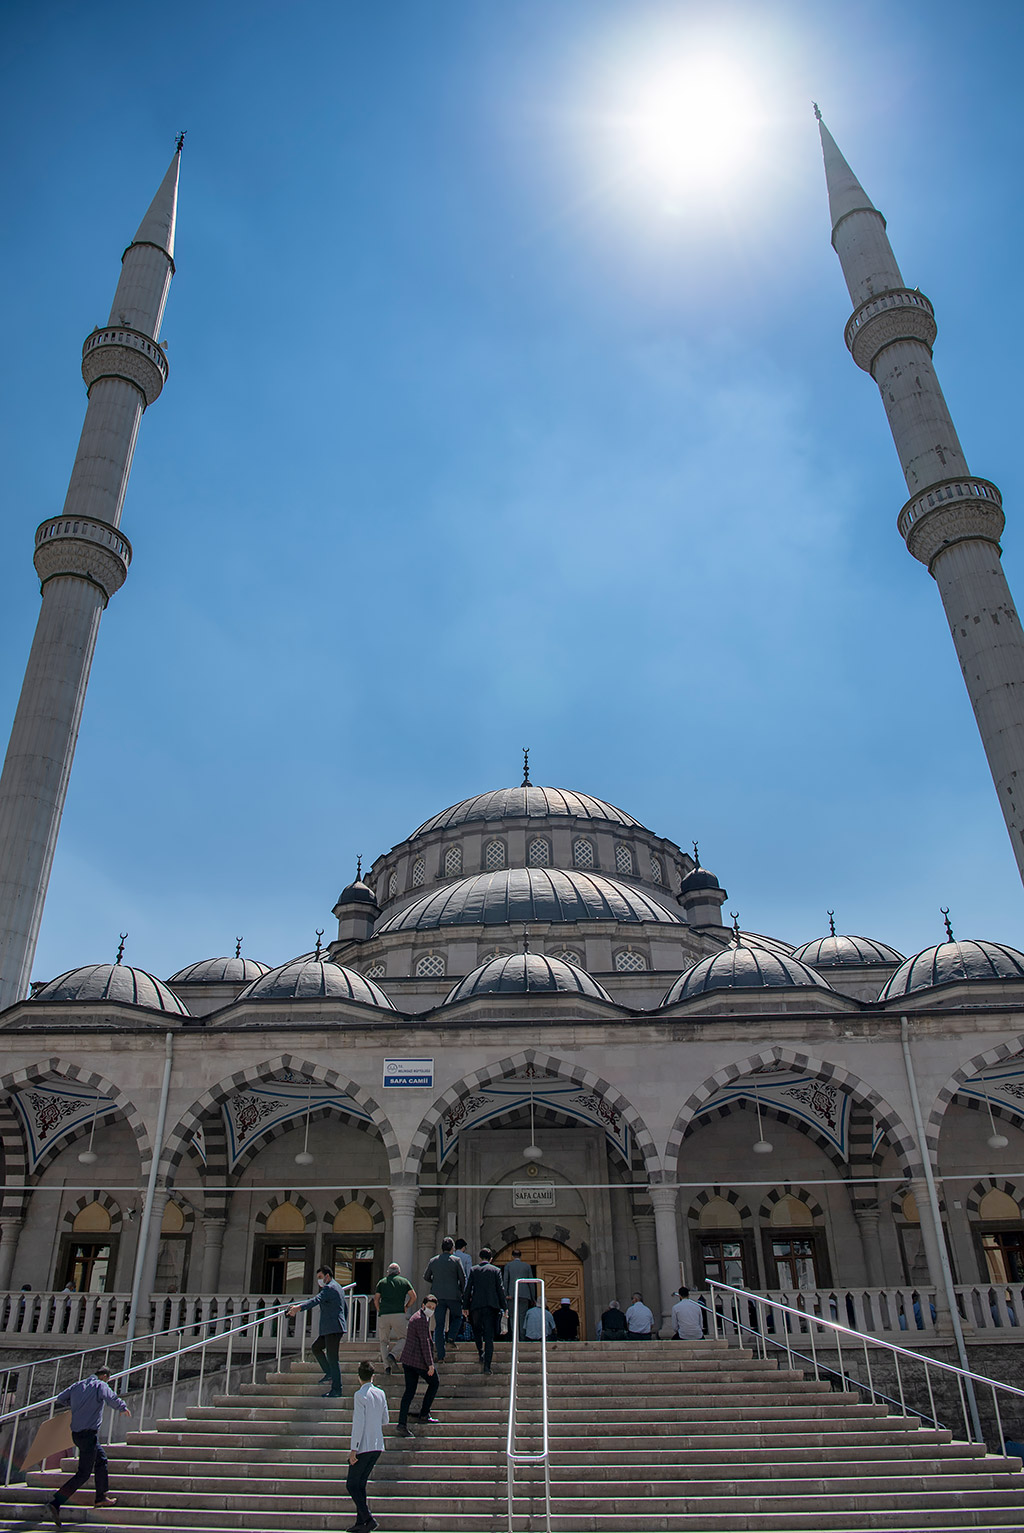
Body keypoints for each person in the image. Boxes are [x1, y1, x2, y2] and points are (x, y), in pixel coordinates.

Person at [46, 1365, 129, 1526]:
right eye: (109, 1379)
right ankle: (57, 1501)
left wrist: (78, 1407)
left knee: (101, 1460)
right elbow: (110, 1397)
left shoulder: (77, 1385)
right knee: (83, 1474)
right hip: (88, 1435)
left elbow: (61, 1398)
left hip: (77, 1435)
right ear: (105, 1376)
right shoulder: (100, 1385)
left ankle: (100, 1497)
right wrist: (122, 1407)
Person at [289, 1266, 347, 1397]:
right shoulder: (338, 1287)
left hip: (333, 1328)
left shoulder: (329, 1288)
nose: (319, 1281)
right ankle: (330, 1373)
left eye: (320, 1277)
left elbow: (316, 1300)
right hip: (332, 1328)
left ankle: (337, 1389)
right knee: (316, 1348)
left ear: (327, 1276)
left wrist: (298, 1308)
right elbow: (345, 1307)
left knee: (333, 1358)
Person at [347, 1358, 388, 1532]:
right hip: (377, 1444)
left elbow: (358, 1423)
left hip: (363, 1445)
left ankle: (368, 1518)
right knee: (360, 1483)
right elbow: (385, 1419)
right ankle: (360, 1522)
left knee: (351, 1484)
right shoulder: (380, 1393)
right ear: (373, 1376)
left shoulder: (359, 1395)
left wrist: (353, 1449)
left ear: (359, 1377)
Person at [395, 1295, 440, 1437]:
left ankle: (402, 1423)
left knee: (409, 1391)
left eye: (433, 1308)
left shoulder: (419, 1317)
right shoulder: (420, 1320)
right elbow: (425, 1343)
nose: (431, 1310)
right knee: (434, 1382)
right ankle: (424, 1413)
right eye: (429, 1307)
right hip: (416, 1360)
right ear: (423, 1305)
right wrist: (430, 1364)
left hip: (409, 1360)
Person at [463, 1247, 507, 1374]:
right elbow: (500, 1290)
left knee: (477, 1331)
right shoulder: (496, 1271)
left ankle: (480, 1351)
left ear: (480, 1257)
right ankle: (487, 1366)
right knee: (489, 1337)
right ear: (491, 1258)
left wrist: (465, 1306)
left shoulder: (474, 1270)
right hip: (491, 1307)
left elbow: (468, 1289)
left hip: (476, 1306)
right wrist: (505, 1307)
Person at [422, 1236, 465, 1362]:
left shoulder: (433, 1261)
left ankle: (440, 1356)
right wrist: (461, 1291)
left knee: (439, 1325)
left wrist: (435, 1282)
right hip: (453, 1296)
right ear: (452, 1248)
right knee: (458, 1317)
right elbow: (463, 1278)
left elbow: (426, 1276)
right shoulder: (456, 1260)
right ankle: (451, 1337)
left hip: (437, 1297)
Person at [374, 1261, 416, 1372]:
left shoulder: (382, 1282)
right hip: (398, 1313)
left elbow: (376, 1299)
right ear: (399, 1272)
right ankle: (393, 1354)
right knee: (405, 1338)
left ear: (388, 1272)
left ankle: (386, 1367)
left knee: (383, 1341)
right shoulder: (404, 1281)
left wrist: (379, 1309)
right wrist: (406, 1306)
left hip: (384, 1314)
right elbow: (413, 1296)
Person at [502, 1248, 534, 1332]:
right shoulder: (527, 1266)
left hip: (511, 1295)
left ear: (512, 1256)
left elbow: (505, 1280)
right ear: (520, 1256)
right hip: (524, 1295)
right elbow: (531, 1282)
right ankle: (522, 1337)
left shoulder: (508, 1265)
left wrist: (505, 1294)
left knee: (512, 1316)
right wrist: (532, 1297)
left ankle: (514, 1337)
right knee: (522, 1316)